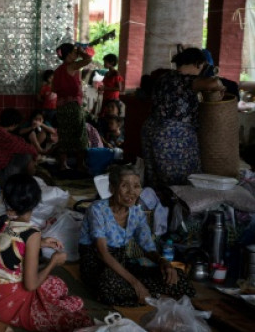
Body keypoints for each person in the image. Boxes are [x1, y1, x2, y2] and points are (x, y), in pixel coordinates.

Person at [0, 174, 92, 331]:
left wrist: (40, 243)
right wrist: (53, 262)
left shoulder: (2, 222)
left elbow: (10, 243)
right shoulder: (32, 233)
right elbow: (31, 285)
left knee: (57, 285)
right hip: (11, 308)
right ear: (35, 203)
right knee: (78, 317)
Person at [79, 165, 194, 306]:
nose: (131, 192)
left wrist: (163, 262)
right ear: (112, 188)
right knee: (109, 283)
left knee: (178, 277)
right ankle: (153, 295)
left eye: (136, 186)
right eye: (124, 186)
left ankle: (148, 296)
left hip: (121, 265)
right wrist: (136, 283)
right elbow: (103, 254)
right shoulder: (97, 209)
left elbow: (148, 248)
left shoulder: (137, 213)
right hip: (96, 266)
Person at [141, 47, 224, 188]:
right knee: (181, 183)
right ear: (198, 64)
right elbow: (214, 83)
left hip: (151, 130)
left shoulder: (165, 77)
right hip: (174, 136)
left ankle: (160, 209)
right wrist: (220, 86)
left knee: (156, 182)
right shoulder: (185, 79)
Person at [52, 43, 92, 171]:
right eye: (74, 52)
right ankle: (80, 165)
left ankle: (63, 164)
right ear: (69, 54)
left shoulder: (58, 70)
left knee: (64, 134)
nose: (76, 54)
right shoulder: (72, 66)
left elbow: (53, 89)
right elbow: (88, 59)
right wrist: (81, 51)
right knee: (79, 134)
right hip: (73, 107)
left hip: (61, 107)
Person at [0, 108, 39, 183]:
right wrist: (36, 157)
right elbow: (28, 148)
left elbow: (18, 141)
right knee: (27, 156)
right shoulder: (4, 135)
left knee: (21, 154)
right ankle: (30, 180)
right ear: (13, 124)